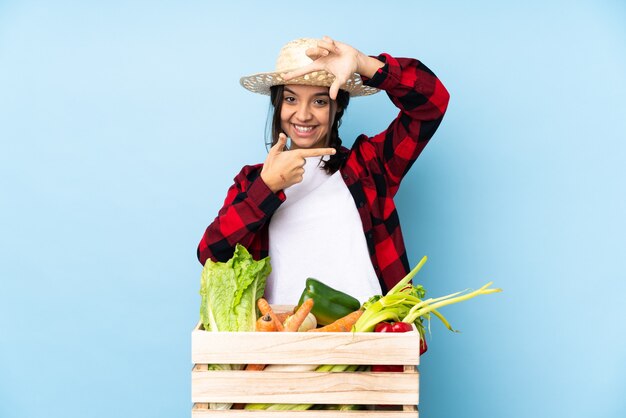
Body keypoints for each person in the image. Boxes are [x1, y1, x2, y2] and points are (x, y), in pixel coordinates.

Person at [198, 36, 450, 305]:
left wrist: (364, 64)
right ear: (277, 104)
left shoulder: (369, 166)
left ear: (337, 106)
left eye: (319, 101)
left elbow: (432, 104)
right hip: (282, 337)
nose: (303, 115)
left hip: (373, 333)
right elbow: (212, 255)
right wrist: (267, 188)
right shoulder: (253, 182)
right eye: (291, 99)